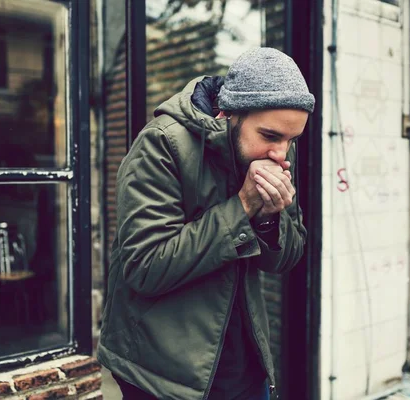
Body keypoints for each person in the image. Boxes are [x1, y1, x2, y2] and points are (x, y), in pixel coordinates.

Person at [97, 47, 315, 400]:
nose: (281, 153)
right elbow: (145, 266)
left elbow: (286, 260)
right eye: (271, 136)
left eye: (292, 141)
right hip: (161, 374)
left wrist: (267, 218)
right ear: (227, 113)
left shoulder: (274, 155)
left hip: (244, 368)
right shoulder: (162, 144)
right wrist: (243, 206)